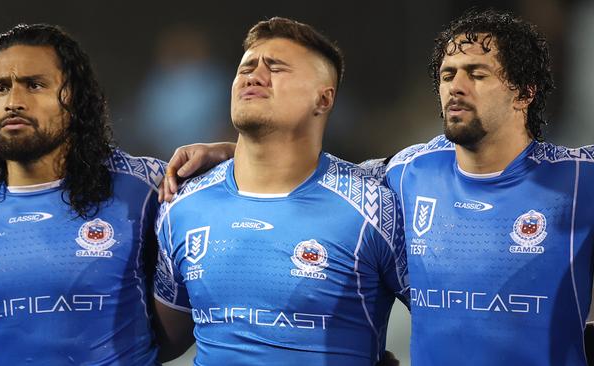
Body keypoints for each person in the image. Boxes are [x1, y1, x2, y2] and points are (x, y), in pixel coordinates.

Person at [161, 10, 594, 366]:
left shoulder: (582, 176)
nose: (456, 87)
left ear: (524, 93)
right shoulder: (406, 172)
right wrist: (227, 153)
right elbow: (311, 175)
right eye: (448, 75)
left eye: (477, 74)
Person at [153, 17, 409, 366]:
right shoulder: (181, 204)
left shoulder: (373, 206)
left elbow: (443, 321)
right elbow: (160, 343)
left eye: (276, 67)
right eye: (247, 66)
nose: (253, 75)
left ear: (323, 98)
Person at [0, 24, 193, 365]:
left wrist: (222, 152)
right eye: (0, 88)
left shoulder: (147, 185)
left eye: (34, 85)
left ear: (75, 99)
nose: (13, 103)